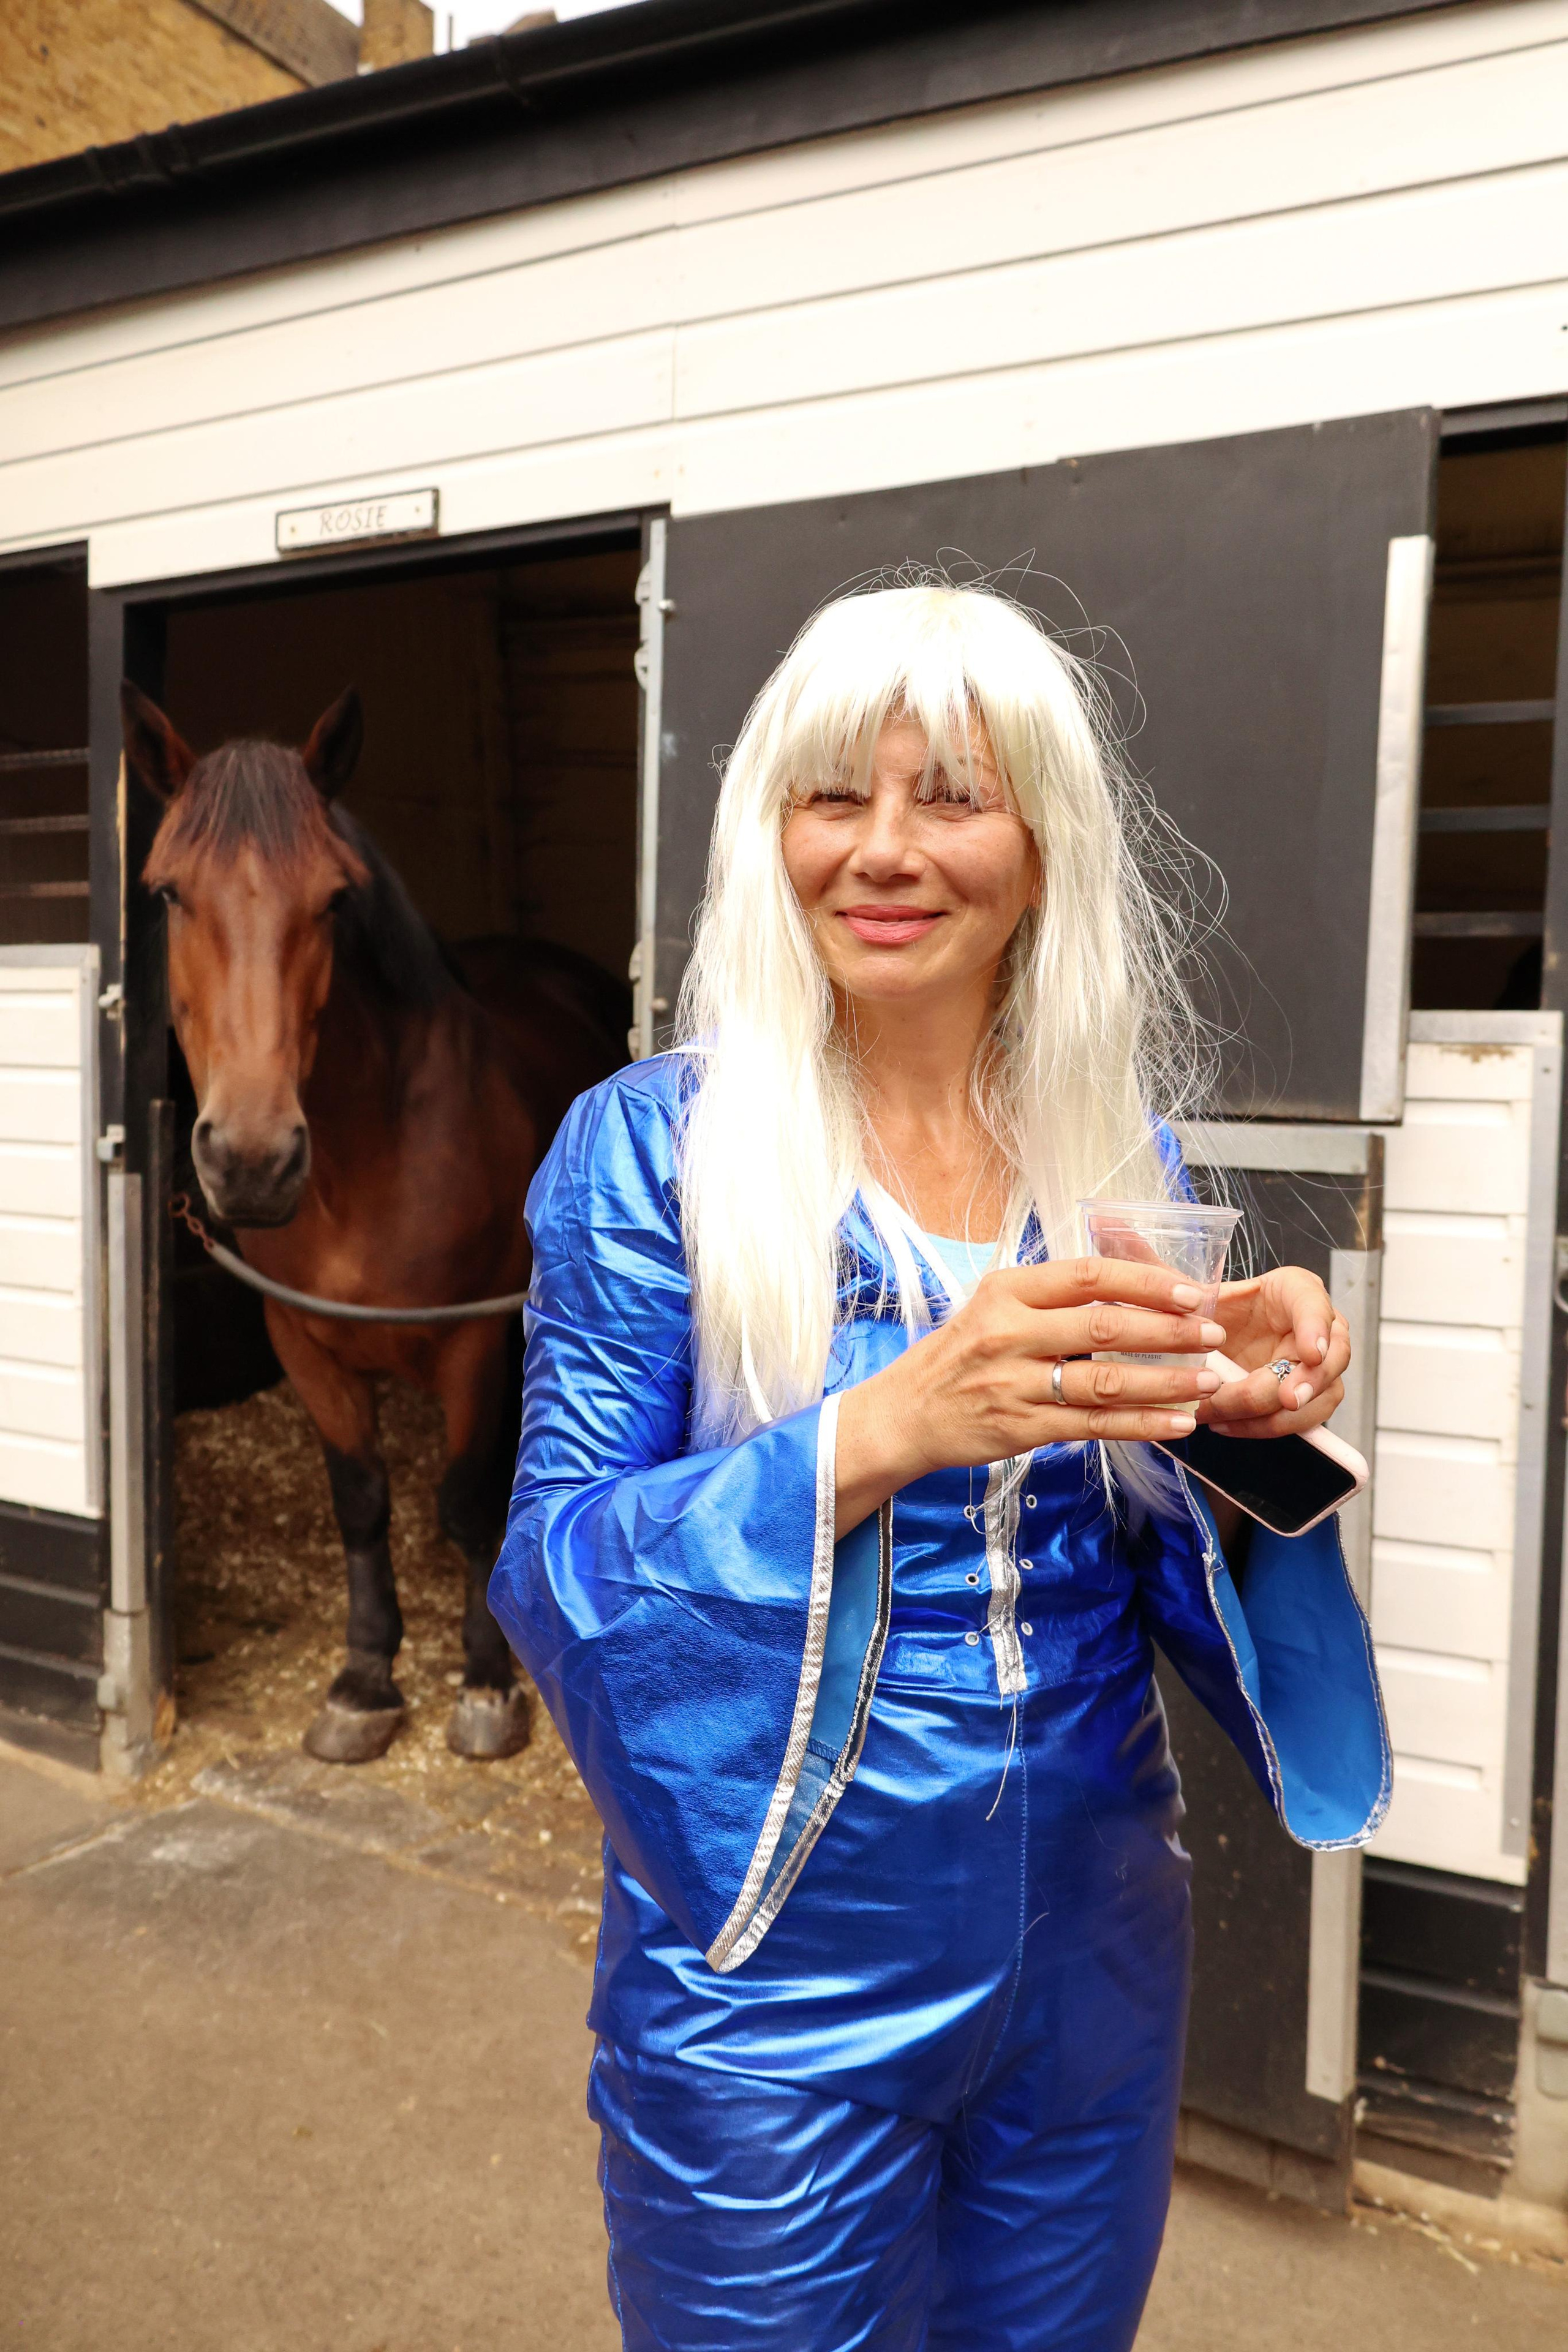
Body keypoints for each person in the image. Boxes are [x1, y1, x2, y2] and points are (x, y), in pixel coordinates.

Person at [489, 584, 1388, 2352]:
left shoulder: (1111, 1149)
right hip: (771, 1978)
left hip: (1098, 1964)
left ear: (1042, 851)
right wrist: (891, 1421)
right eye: (835, 794)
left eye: (953, 796)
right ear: (773, 832)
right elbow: (558, 1567)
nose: (885, 849)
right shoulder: (655, 1150)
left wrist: (1232, 1415)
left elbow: (1135, 1543)